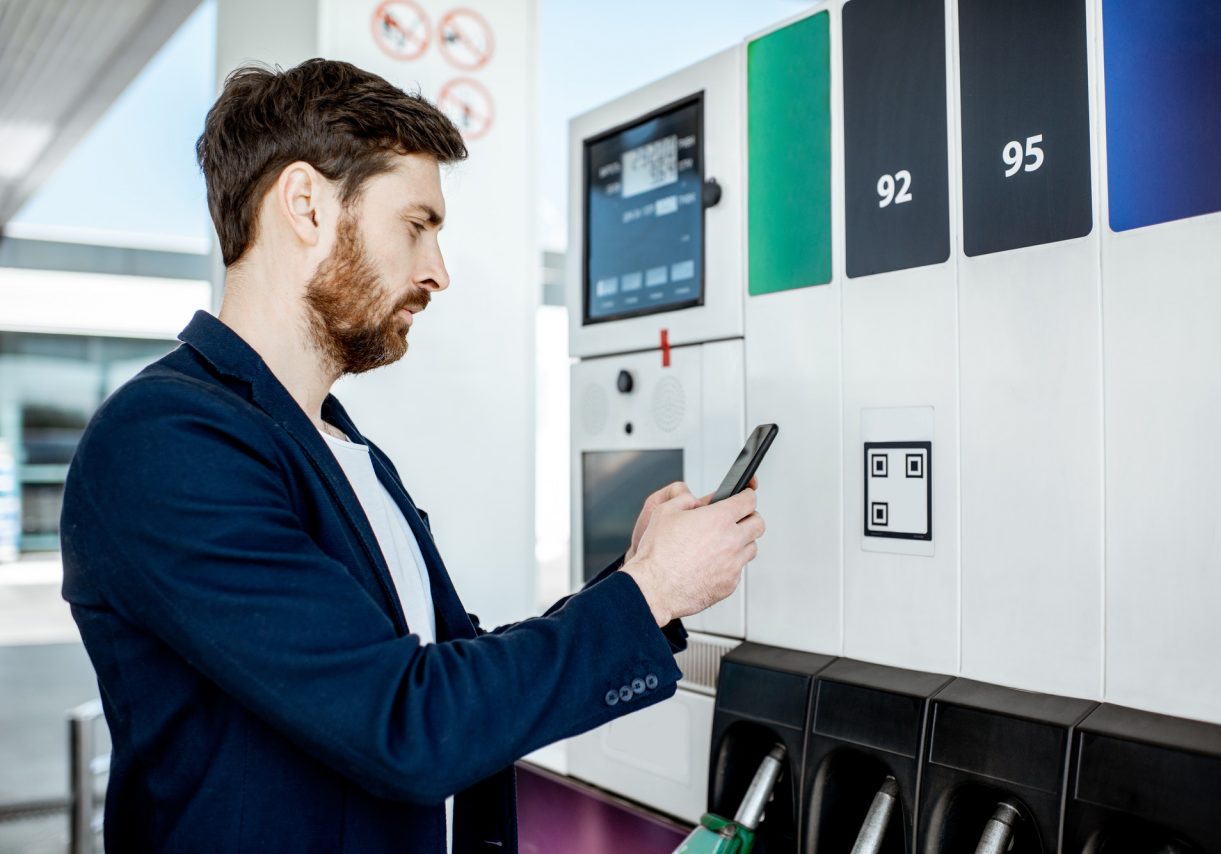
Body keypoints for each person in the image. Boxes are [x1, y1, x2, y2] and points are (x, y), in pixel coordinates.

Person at [59, 58, 764, 853]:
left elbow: (446, 671)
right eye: (416, 225)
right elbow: (405, 724)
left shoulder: (338, 443)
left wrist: (642, 584)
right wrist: (648, 591)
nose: (438, 270)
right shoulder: (165, 441)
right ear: (306, 205)